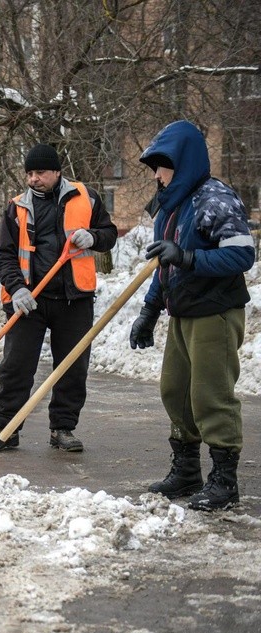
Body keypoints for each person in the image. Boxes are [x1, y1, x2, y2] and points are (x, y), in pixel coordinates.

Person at [130, 120, 255, 511]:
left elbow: (242, 253)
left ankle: (224, 481)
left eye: (161, 166)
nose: (157, 175)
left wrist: (187, 256)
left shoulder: (214, 198)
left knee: (209, 395)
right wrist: (150, 310)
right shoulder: (171, 207)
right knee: (176, 391)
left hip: (215, 312)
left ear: (182, 163)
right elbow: (162, 268)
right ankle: (187, 470)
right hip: (182, 313)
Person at [0, 143, 117, 452]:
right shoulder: (16, 207)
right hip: (30, 301)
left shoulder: (87, 197)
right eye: (29, 173)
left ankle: (63, 429)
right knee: (16, 366)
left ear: (57, 172)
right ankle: (7, 429)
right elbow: (2, 256)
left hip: (74, 298)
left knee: (72, 366)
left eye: (40, 173)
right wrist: (17, 288)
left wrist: (94, 237)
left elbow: (108, 233)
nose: (33, 179)